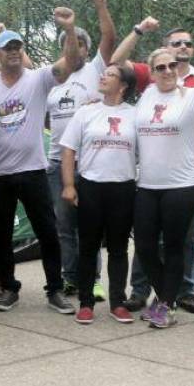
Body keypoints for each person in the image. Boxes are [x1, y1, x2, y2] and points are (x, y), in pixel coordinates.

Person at [0, 6, 83, 314]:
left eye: (17, 47)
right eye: (7, 48)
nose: (13, 52)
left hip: (33, 170)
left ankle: (55, 290)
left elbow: (72, 62)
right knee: (3, 236)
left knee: (48, 232)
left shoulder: (38, 79)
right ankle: (8, 287)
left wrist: (71, 29)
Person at [114, 19, 194, 312]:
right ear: (152, 71)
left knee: (178, 244)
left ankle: (170, 301)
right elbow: (116, 61)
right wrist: (138, 30)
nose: (167, 70)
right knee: (146, 246)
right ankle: (154, 294)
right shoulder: (147, 90)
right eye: (161, 66)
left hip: (183, 182)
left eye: (172, 66)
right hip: (147, 183)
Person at [45, 0, 119, 299]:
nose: (75, 47)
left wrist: (100, 5)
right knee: (63, 227)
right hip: (56, 162)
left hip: (89, 161)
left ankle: (94, 278)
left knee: (90, 225)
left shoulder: (94, 70)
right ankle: (71, 277)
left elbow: (109, 38)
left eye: (79, 43)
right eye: (68, 43)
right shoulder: (51, 78)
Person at [59, 63, 139, 324]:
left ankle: (118, 302)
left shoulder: (135, 115)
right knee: (88, 247)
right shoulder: (86, 113)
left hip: (124, 188)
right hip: (90, 186)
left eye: (111, 75)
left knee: (118, 249)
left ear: (124, 85)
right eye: (104, 73)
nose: (103, 76)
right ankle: (85, 302)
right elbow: (68, 150)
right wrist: (69, 185)